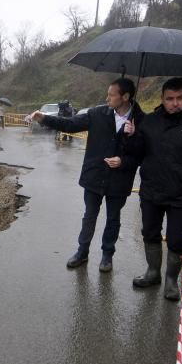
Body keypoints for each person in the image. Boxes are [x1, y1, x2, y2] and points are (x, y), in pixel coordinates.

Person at [30, 78, 145, 272]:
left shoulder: (140, 120)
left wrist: (129, 148)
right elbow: (69, 125)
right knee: (89, 216)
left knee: (113, 219)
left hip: (119, 180)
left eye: (111, 95)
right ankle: (82, 252)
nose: (106, 98)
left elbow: (143, 153)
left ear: (125, 97)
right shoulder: (97, 114)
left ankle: (107, 256)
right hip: (94, 177)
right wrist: (44, 118)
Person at [125, 77, 182, 300]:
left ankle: (171, 280)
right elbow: (138, 152)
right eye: (169, 98)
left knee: (177, 239)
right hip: (151, 191)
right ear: (162, 99)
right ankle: (153, 273)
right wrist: (131, 136)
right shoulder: (150, 121)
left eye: (180, 98)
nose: (175, 103)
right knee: (150, 232)